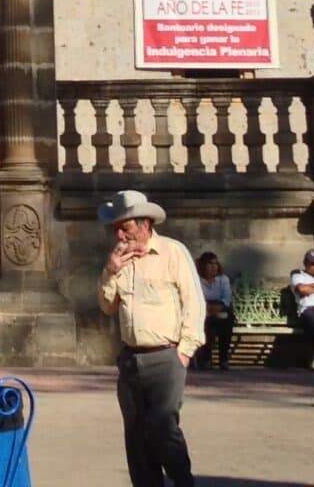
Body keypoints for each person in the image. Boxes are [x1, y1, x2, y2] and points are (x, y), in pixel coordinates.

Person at [95, 189, 203, 487]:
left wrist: (185, 350)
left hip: (165, 356)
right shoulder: (119, 259)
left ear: (145, 224)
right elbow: (107, 306)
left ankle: (183, 481)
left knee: (163, 426)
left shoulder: (172, 252)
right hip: (130, 358)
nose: (120, 234)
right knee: (136, 434)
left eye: (126, 227)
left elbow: (193, 302)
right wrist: (110, 272)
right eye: (116, 227)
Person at [194, 252, 234, 372]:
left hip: (220, 308)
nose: (213, 267)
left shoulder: (223, 279)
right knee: (207, 323)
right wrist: (207, 308)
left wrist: (218, 307)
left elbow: (227, 298)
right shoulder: (197, 280)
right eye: (210, 264)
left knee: (227, 320)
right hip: (203, 309)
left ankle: (223, 359)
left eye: (215, 264)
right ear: (202, 266)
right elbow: (196, 297)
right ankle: (206, 359)